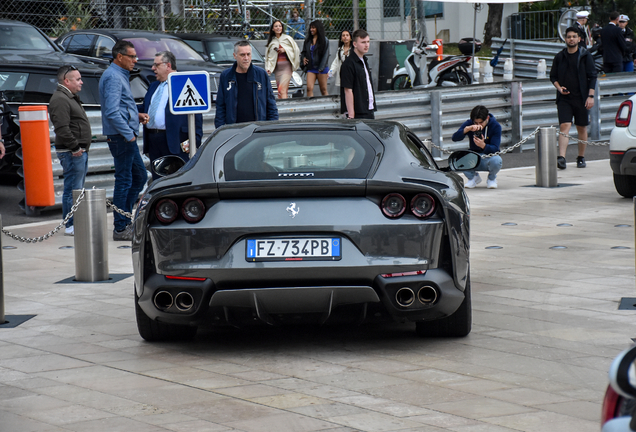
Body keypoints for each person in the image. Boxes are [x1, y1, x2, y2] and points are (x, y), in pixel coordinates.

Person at [99, 40, 149, 241]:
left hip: (125, 135)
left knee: (139, 177)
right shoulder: (113, 77)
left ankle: (125, 220)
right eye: (132, 56)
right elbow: (111, 111)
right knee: (125, 180)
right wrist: (128, 134)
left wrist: (135, 116)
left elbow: (119, 107)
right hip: (122, 137)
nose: (135, 60)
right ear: (119, 56)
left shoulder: (119, 75)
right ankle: (121, 227)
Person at [141, 51, 203, 180]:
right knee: (157, 178)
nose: (153, 68)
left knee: (176, 179)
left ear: (168, 65)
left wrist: (194, 140)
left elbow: (195, 112)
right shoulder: (153, 86)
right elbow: (146, 107)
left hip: (175, 141)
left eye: (156, 65)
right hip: (154, 140)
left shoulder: (182, 83)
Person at [48, 65, 91, 236]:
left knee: (77, 188)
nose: (81, 82)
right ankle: (70, 224)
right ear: (67, 81)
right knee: (72, 189)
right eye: (78, 79)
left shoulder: (69, 97)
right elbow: (62, 128)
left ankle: (75, 222)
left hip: (77, 151)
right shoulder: (60, 99)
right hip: (72, 152)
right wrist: (75, 147)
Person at [550, 27, 597, 170]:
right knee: (565, 125)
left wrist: (590, 96)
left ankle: (581, 157)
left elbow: (593, 76)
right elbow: (553, 77)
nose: (571, 39)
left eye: (574, 36)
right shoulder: (560, 56)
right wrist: (559, 88)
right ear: (565, 39)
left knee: (581, 127)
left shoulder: (585, 55)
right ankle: (562, 157)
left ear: (579, 39)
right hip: (565, 98)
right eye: (569, 36)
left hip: (581, 97)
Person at [215, 41, 278, 128]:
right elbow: (220, 106)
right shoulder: (226, 76)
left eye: (248, 54)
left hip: (258, 129)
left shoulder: (261, 74)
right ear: (234, 56)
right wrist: (220, 130)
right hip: (234, 130)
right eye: (242, 55)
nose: (246, 58)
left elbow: (271, 104)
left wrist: (272, 127)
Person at [452, 105, 502, 189]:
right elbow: (455, 138)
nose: (479, 125)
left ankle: (491, 179)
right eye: (476, 123)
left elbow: (495, 149)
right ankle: (473, 178)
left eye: (481, 122)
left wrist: (483, 146)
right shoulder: (469, 123)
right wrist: (466, 129)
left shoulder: (495, 126)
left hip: (488, 157)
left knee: (497, 160)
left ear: (487, 118)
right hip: (474, 156)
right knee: (457, 158)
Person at [340, 29, 376, 119]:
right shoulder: (348, 64)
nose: (367, 45)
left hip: (369, 109)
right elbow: (348, 90)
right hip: (358, 113)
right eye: (363, 42)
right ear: (355, 44)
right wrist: (351, 115)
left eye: (368, 42)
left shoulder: (364, 61)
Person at [266, 20, 300, 100]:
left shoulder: (288, 38)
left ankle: (285, 109)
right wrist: (268, 69)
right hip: (278, 70)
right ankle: (282, 108)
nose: (278, 28)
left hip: (286, 69)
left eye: (280, 26)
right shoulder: (272, 42)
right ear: (273, 29)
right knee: (280, 91)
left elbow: (296, 50)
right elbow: (269, 57)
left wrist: (285, 50)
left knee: (282, 90)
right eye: (276, 26)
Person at [301, 20, 330, 97]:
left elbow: (325, 55)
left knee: (323, 89)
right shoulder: (307, 41)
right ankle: (310, 106)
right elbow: (303, 52)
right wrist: (303, 58)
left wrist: (321, 68)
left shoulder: (325, 40)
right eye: (310, 28)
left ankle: (327, 106)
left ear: (318, 28)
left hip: (321, 68)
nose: (311, 30)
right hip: (311, 68)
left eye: (313, 28)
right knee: (309, 88)